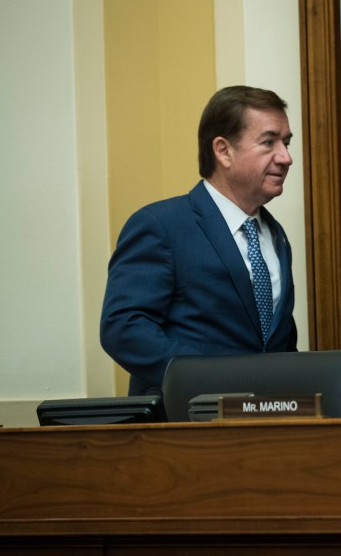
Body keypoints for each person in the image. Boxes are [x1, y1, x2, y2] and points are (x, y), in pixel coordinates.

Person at [101, 85, 298, 395]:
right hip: (184, 423)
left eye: (286, 143)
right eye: (269, 142)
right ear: (223, 150)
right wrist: (211, 380)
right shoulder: (161, 225)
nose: (286, 158)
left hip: (266, 422)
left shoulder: (276, 235)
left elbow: (276, 339)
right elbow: (124, 329)